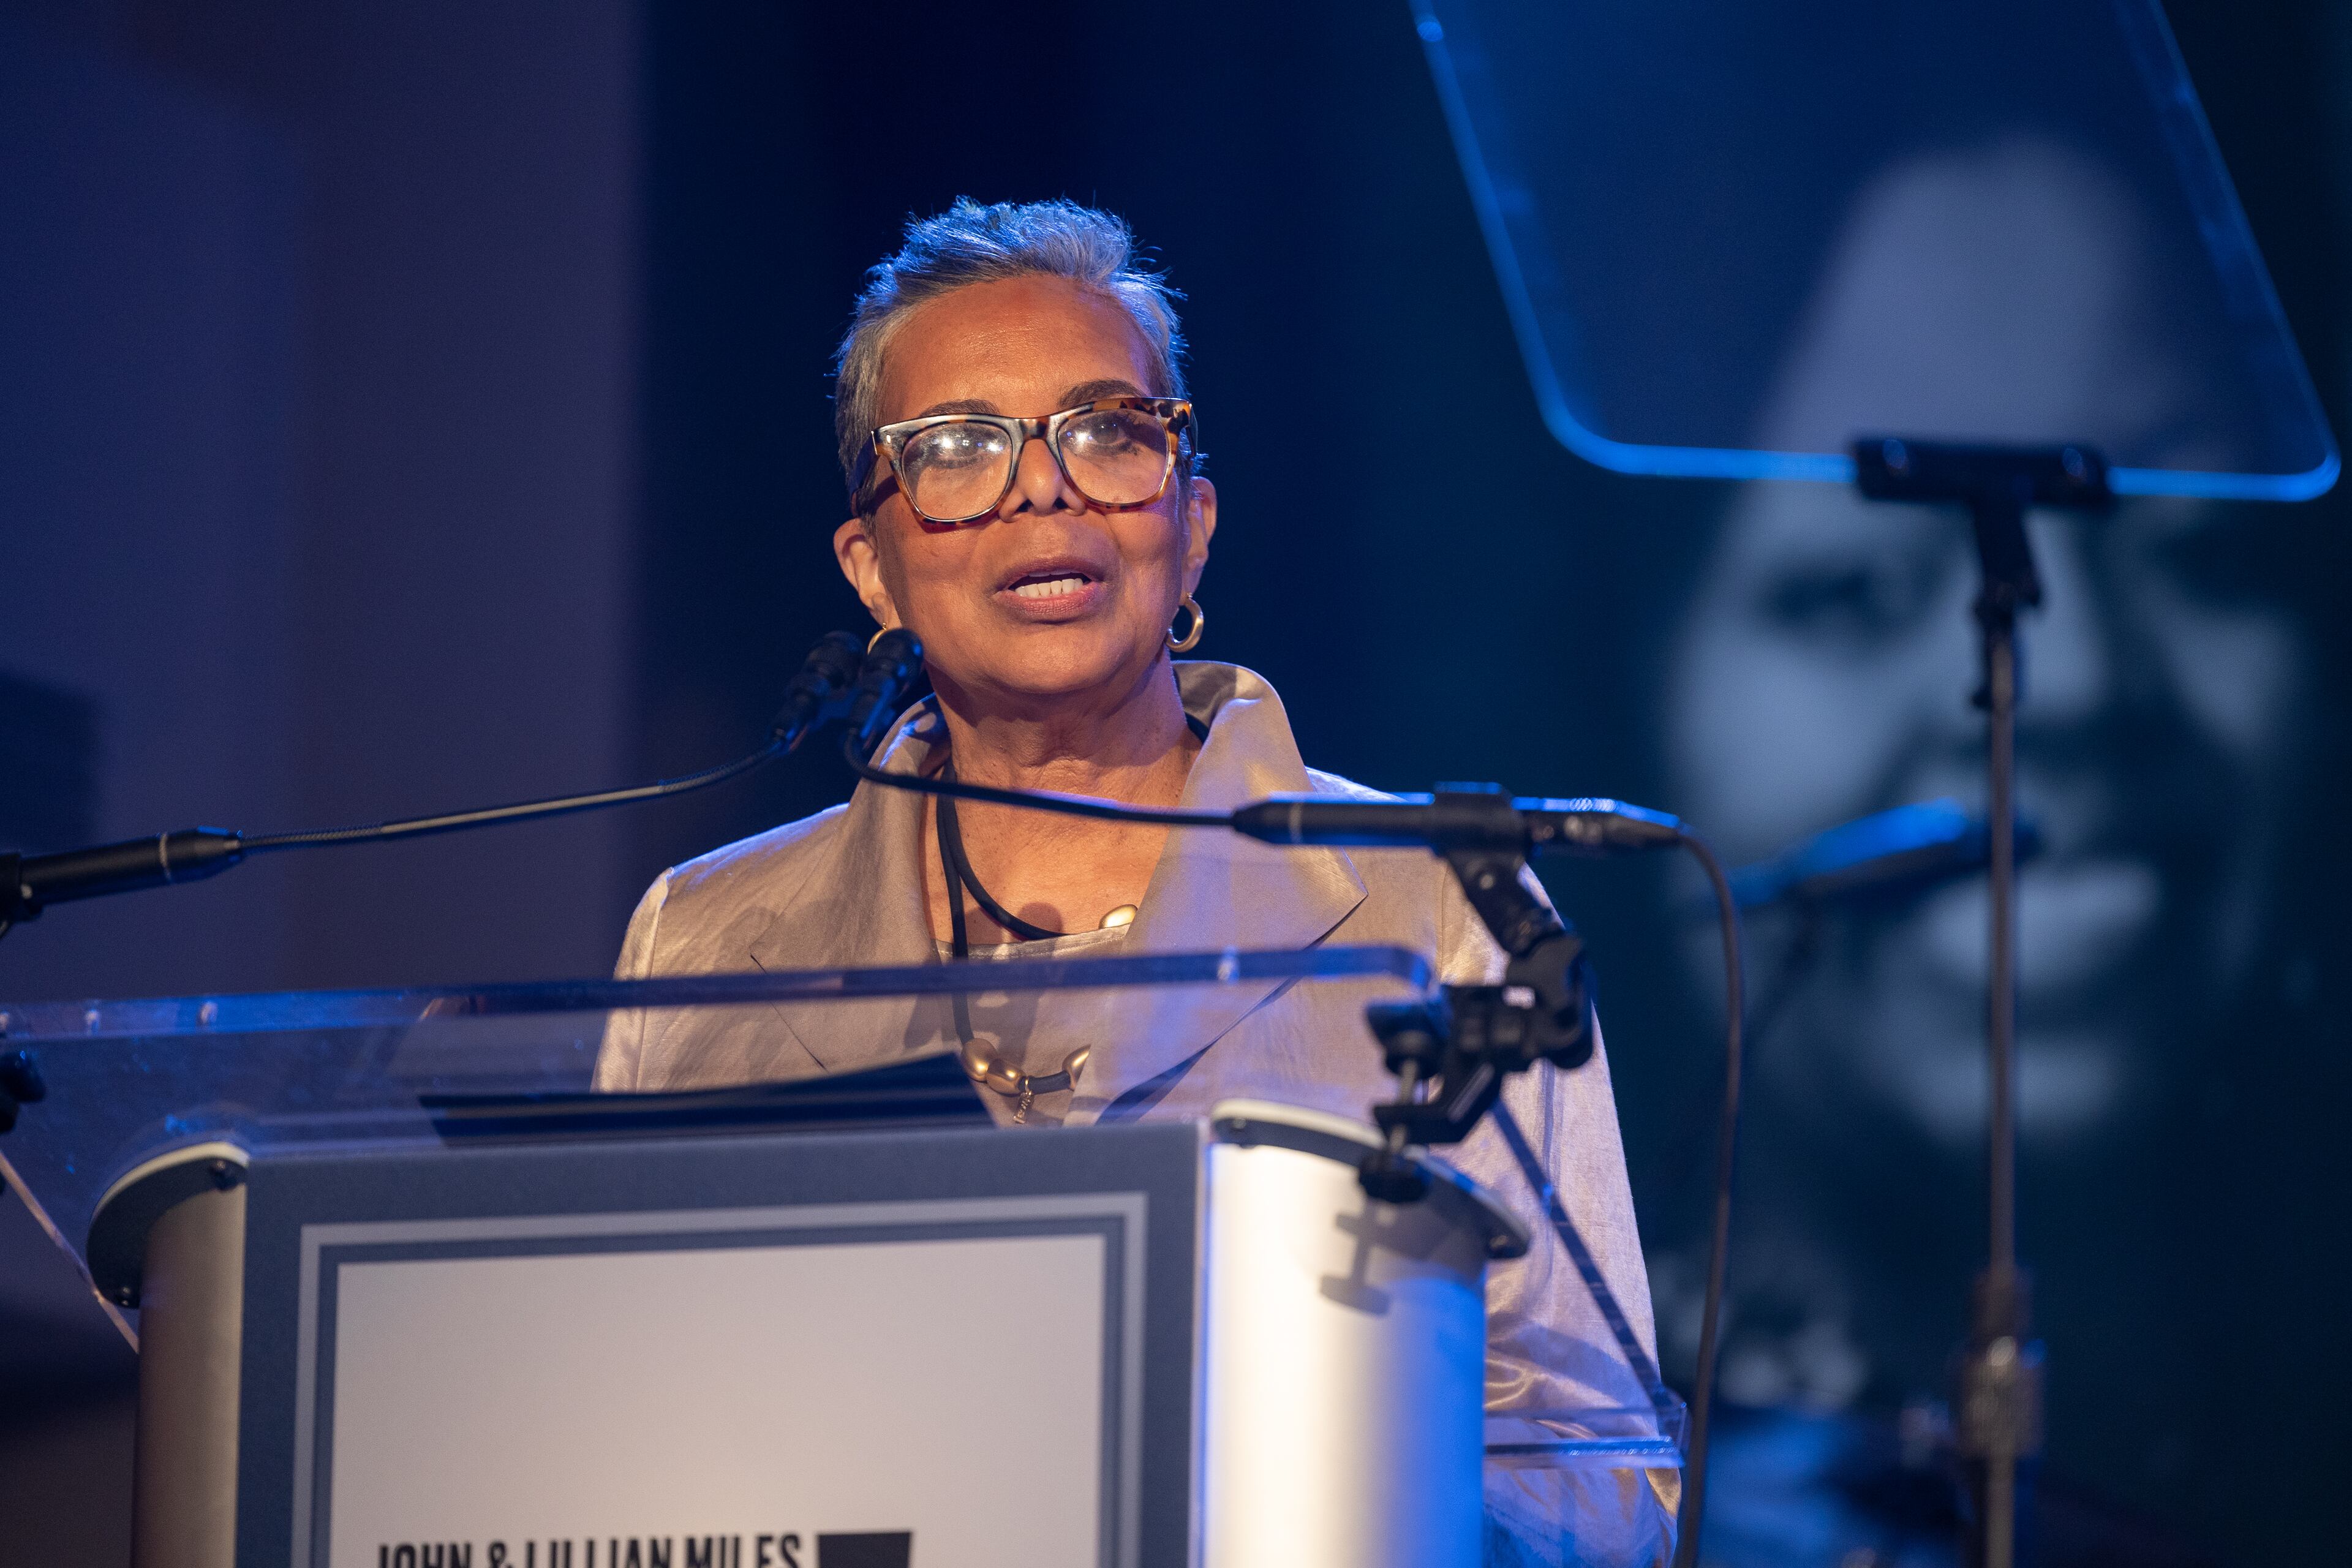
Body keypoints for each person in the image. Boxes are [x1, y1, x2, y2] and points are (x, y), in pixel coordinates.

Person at [594, 198, 1676, 1563]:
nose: (1044, 488)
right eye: (958, 447)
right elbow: (619, 1422)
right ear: (873, 567)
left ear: (1192, 523)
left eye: (1109, 431)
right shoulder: (706, 942)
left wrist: (1304, 1503)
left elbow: (1600, 1474)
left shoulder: (1435, 904)